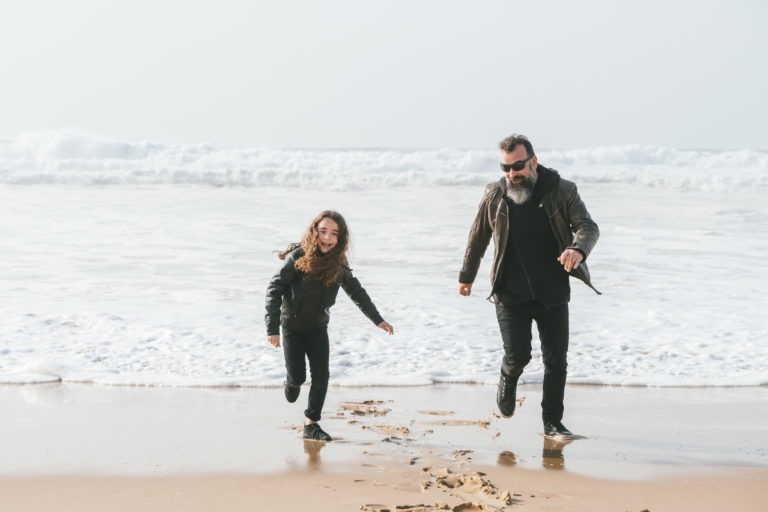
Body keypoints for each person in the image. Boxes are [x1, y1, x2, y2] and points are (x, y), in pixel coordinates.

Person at [458, 134, 599, 437]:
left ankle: (552, 423)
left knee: (555, 361)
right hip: (510, 294)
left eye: (518, 166)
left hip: (552, 292)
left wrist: (578, 249)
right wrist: (466, 276)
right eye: (506, 168)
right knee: (518, 354)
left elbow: (588, 226)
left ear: (533, 161)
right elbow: (478, 236)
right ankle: (507, 377)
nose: (512, 174)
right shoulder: (495, 194)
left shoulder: (562, 191)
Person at [266, 210, 394, 442]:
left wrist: (378, 319)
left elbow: (357, 292)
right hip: (292, 328)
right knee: (297, 378)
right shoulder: (298, 258)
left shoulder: (339, 264)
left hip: (317, 328)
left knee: (321, 377)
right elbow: (275, 289)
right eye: (323, 231)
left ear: (341, 238)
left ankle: (311, 424)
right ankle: (291, 383)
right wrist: (272, 328)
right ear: (315, 233)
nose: (327, 237)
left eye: (334, 233)